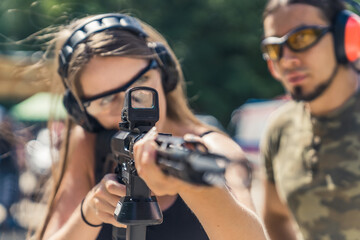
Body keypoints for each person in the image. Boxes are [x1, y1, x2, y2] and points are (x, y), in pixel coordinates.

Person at [29, 13, 267, 240]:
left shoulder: (210, 147)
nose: (126, 105)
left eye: (140, 82)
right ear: (82, 114)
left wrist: (196, 189)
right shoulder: (88, 144)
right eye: (104, 99)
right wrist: (89, 212)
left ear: (165, 74)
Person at [259, 0, 360, 239]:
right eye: (275, 48)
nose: (287, 59)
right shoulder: (279, 129)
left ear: (345, 38)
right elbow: (275, 216)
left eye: (302, 38)